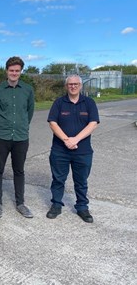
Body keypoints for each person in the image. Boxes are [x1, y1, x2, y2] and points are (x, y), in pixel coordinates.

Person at [46, 75, 99, 223]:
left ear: (81, 86)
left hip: (83, 151)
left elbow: (93, 123)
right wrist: (66, 140)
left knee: (81, 181)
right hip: (60, 150)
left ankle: (82, 207)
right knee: (58, 179)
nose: (73, 86)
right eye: (70, 84)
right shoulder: (59, 103)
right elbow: (53, 123)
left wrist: (75, 139)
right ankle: (56, 205)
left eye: (76, 84)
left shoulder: (89, 103)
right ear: (66, 86)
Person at [0, 56, 35, 219]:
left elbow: (29, 112)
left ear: (21, 72)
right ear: (6, 71)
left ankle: (20, 203)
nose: (14, 73)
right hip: (1, 136)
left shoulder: (28, 90)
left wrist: (21, 125)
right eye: (11, 70)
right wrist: (3, 124)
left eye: (17, 71)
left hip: (21, 137)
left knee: (19, 170)